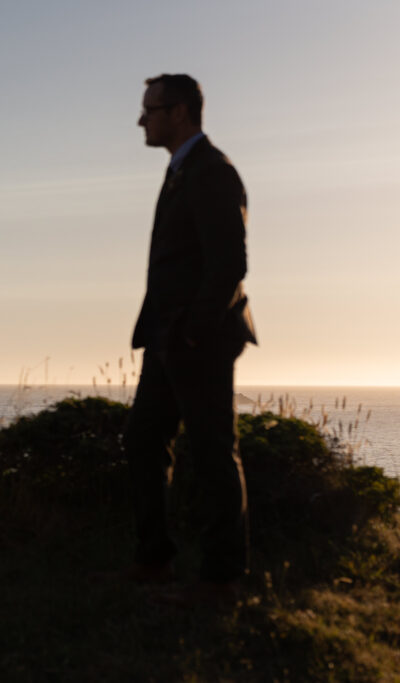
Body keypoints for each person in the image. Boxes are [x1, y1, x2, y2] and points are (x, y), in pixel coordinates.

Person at [120, 75, 258, 605]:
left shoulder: (212, 173)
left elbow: (229, 265)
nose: (141, 120)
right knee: (142, 439)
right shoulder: (181, 170)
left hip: (195, 339)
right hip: (169, 337)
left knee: (212, 450)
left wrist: (194, 334)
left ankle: (221, 579)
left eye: (149, 110)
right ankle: (153, 562)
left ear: (178, 112)